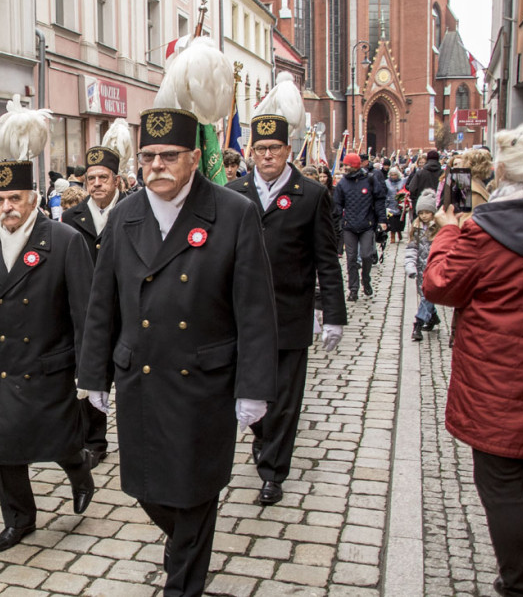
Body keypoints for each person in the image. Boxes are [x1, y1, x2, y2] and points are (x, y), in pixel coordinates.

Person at [79, 108, 277, 596]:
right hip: (141, 377)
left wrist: (254, 388)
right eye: (148, 156)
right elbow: (101, 304)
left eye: (169, 156)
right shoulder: (126, 215)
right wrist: (92, 374)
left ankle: (182, 584)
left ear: (194, 157)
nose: (157, 165)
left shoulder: (232, 213)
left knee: (194, 493)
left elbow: (254, 308)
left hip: (204, 382)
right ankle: (184, 542)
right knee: (146, 488)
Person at [0, 102, 96, 553]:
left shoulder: (65, 241)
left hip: (51, 366)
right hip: (2, 369)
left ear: (33, 199)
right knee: (5, 449)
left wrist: (88, 372)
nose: (7, 208)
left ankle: (79, 470)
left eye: (16, 199)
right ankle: (19, 519)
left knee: (60, 439)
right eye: (0, 201)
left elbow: (85, 312)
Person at [423, 120, 523, 597]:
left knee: (503, 484)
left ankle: (521, 582)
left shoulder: (487, 233)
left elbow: (439, 285)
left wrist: (448, 232)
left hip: (500, 382)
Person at [227, 111, 346, 507]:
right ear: (251, 152)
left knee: (284, 398)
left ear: (288, 150)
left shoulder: (310, 194)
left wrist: (333, 314)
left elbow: (326, 259)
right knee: (253, 389)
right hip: (242, 316)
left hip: (291, 311)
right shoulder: (235, 192)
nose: (266, 156)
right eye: (259, 149)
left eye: (274, 149)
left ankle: (273, 471)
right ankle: (263, 440)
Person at [62, 126, 132, 465]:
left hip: (129, 310)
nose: (96, 184)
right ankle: (94, 442)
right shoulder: (70, 218)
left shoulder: (135, 212)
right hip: (86, 313)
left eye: (103, 177)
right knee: (88, 377)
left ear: (116, 180)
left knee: (132, 379)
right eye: (90, 178)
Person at [333, 153, 386, 301]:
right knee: (351, 259)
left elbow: (380, 200)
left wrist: (382, 220)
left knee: (366, 255)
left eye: (347, 165)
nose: (345, 168)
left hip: (367, 225)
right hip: (349, 226)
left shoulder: (369, 180)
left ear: (354, 166)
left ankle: (366, 280)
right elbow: (337, 205)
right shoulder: (342, 183)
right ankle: (353, 289)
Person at [404, 188, 441, 340]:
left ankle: (417, 325)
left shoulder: (439, 228)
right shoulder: (416, 229)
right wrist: (410, 266)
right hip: (421, 269)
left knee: (428, 296)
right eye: (421, 212)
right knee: (426, 296)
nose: (424, 215)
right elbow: (412, 249)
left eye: (427, 212)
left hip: (435, 269)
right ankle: (433, 317)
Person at [385, 167, 408, 243]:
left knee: (400, 221)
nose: (393, 176)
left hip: (400, 205)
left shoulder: (403, 181)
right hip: (390, 205)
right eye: (392, 175)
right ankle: (392, 236)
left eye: (395, 174)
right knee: (391, 221)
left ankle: (399, 232)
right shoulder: (386, 182)